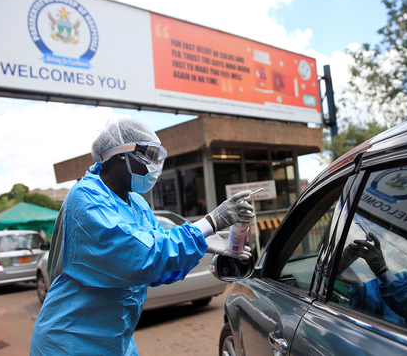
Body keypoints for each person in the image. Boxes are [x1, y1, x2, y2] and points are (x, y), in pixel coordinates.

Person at [30, 117, 254, 356]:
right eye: (150, 155)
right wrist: (208, 224)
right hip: (69, 340)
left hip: (117, 340)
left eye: (159, 157)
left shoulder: (136, 203)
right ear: (119, 155)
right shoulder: (85, 197)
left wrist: (201, 243)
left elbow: (156, 267)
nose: (156, 165)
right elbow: (140, 258)